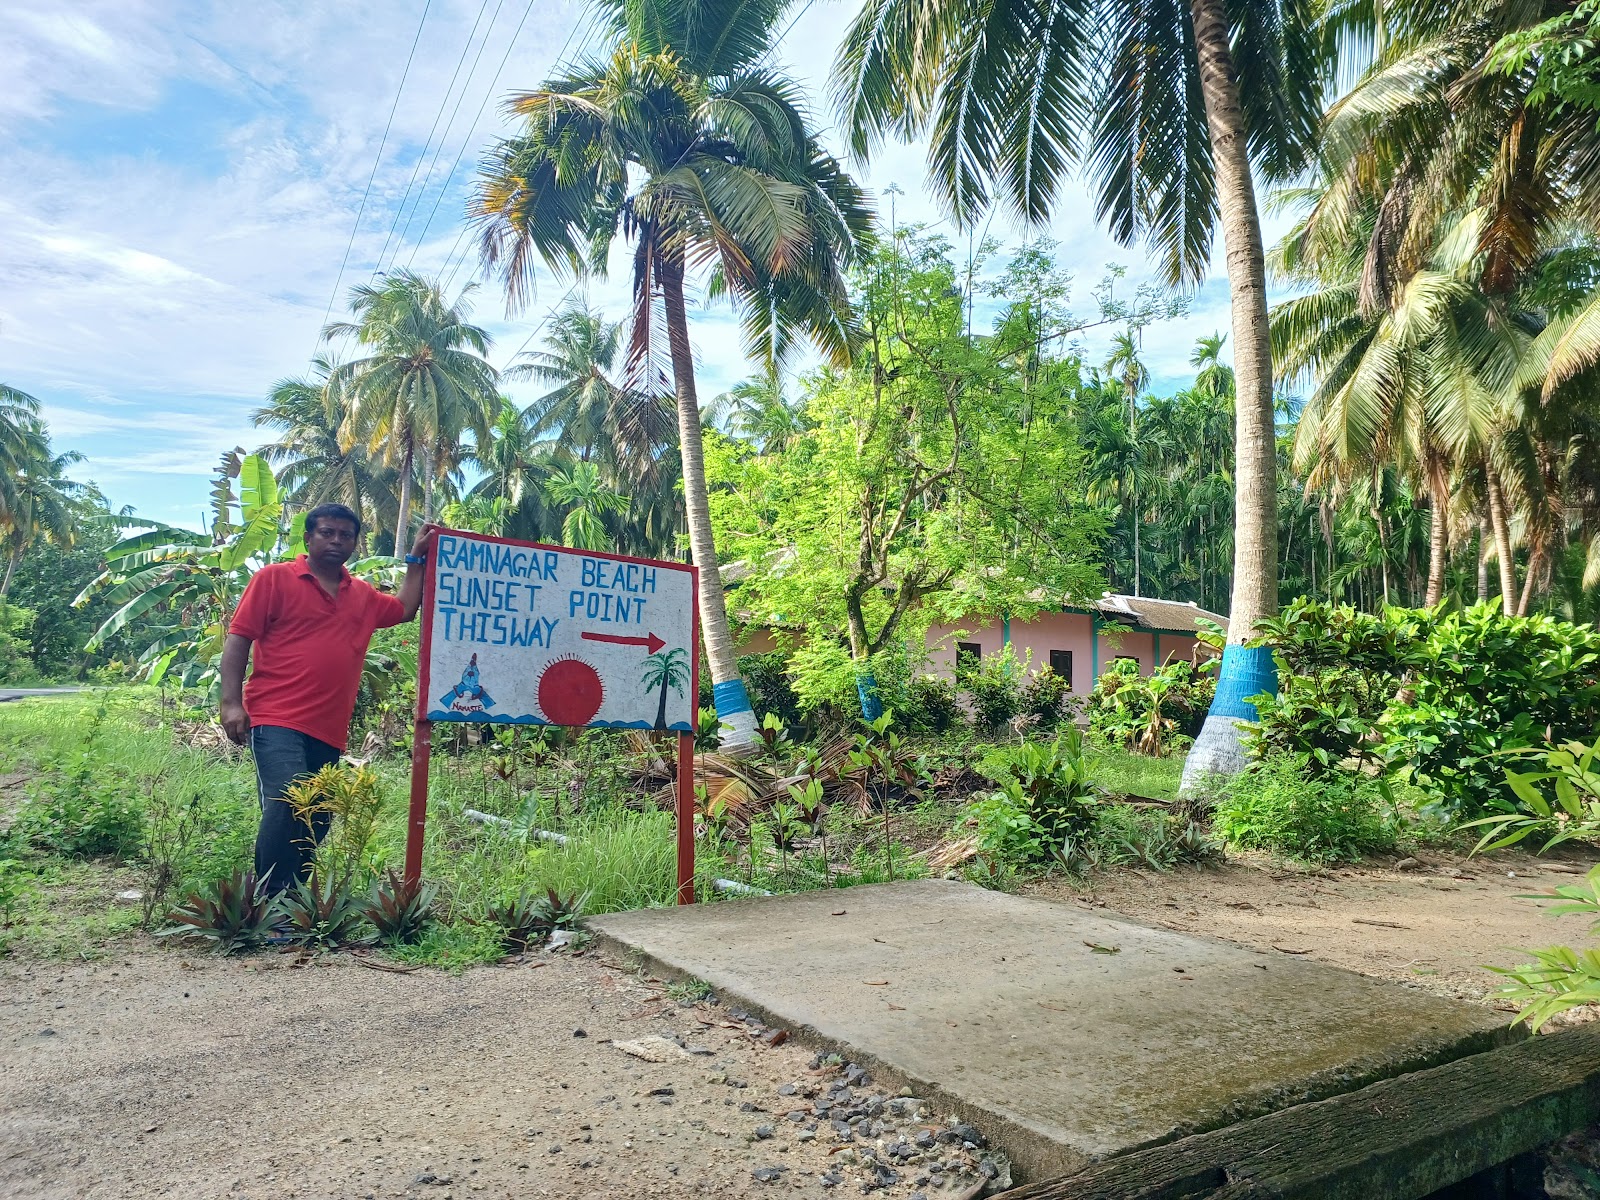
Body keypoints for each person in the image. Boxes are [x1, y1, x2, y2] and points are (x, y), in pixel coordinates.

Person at [220, 504, 436, 893]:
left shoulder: (363, 595)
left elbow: (404, 608)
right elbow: (238, 638)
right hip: (275, 715)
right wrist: (231, 702)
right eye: (327, 532)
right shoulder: (274, 579)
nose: (337, 540)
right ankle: (269, 898)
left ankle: (294, 895)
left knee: (318, 815)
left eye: (345, 535)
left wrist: (416, 559)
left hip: (329, 727)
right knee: (289, 800)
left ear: (355, 542)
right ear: (308, 538)